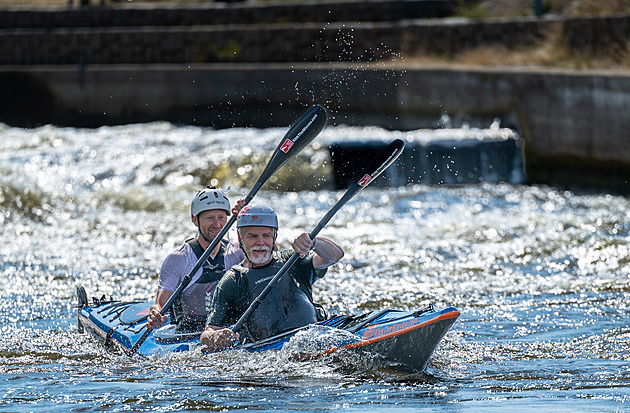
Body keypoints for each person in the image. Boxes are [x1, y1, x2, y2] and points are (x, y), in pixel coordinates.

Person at [200, 204, 344, 351]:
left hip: (316, 337)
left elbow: (334, 256)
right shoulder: (233, 280)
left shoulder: (293, 260)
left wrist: (314, 242)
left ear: (274, 236)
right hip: (271, 352)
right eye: (253, 236)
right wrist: (215, 337)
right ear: (240, 238)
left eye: (266, 236)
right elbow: (206, 334)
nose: (261, 243)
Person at [147, 186, 245, 331]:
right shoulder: (178, 259)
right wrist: (156, 314)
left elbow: (268, 256)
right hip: (188, 333)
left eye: (221, 217)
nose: (217, 225)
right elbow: (161, 304)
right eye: (210, 218)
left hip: (227, 331)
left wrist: (247, 219)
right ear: (195, 220)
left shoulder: (238, 252)